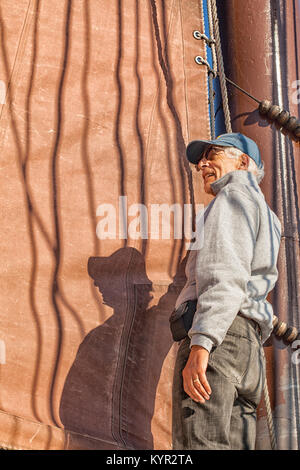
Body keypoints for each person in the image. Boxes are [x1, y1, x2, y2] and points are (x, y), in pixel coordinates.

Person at [172, 132, 281, 450]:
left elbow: (225, 276)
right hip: (248, 351)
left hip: (220, 339)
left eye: (214, 154)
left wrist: (202, 345)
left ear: (243, 162)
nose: (202, 163)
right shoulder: (268, 216)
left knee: (201, 445)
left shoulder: (231, 198)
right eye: (201, 159)